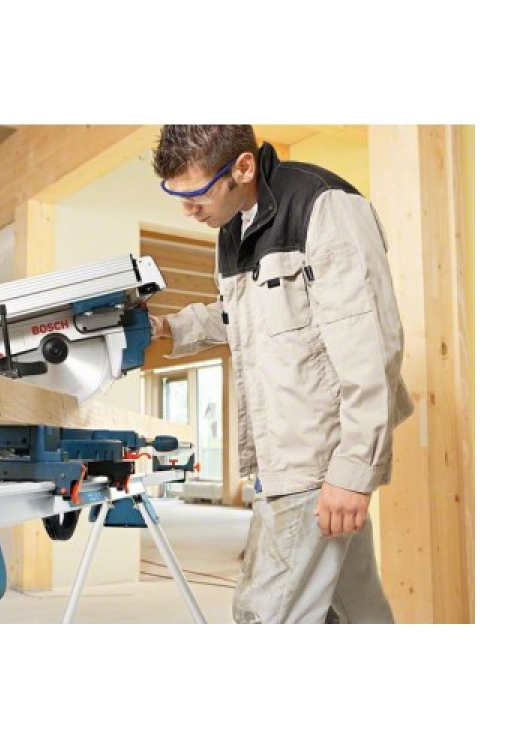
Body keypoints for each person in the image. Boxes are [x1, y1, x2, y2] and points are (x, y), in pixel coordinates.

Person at [150, 125, 414, 624]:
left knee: (264, 615)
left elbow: (370, 345)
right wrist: (171, 327)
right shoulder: (232, 225)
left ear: (243, 168)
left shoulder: (323, 207)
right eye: (176, 196)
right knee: (355, 613)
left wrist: (353, 471)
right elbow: (243, 315)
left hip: (317, 456)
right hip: (287, 453)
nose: (187, 210)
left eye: (196, 194)